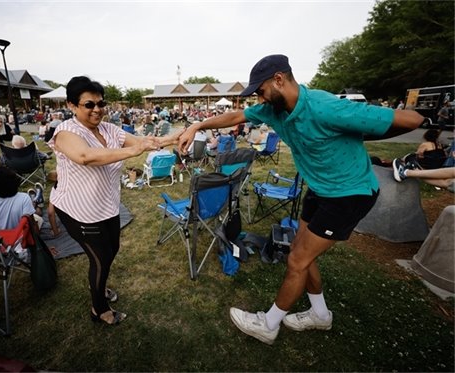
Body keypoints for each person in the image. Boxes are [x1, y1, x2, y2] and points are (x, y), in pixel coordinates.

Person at [178, 54, 424, 345]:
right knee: (298, 251)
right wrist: (196, 126)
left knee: (297, 259)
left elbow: (414, 119)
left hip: (350, 194)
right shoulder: (274, 110)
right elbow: (235, 116)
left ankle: (268, 324)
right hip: (320, 190)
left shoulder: (325, 107)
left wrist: (362, 133)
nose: (260, 98)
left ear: (279, 80)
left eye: (261, 90)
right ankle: (320, 314)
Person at [47, 76, 182, 325]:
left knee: (111, 252)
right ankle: (99, 308)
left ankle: (98, 286)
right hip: (78, 210)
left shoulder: (109, 129)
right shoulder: (66, 132)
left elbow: (144, 143)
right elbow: (85, 156)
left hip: (106, 205)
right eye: (89, 104)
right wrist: (132, 151)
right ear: (72, 106)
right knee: (100, 259)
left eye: (101, 103)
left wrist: (177, 138)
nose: (97, 109)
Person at [0, 165, 43, 230]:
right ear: (14, 182)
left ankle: (36, 202)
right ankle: (37, 202)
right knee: (39, 218)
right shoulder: (23, 198)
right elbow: (33, 226)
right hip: (17, 237)